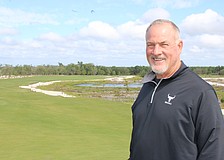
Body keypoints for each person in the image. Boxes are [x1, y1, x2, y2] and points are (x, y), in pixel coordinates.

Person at [129, 19, 224, 160]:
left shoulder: (201, 92)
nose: (156, 51)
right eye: (150, 45)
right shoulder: (148, 86)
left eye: (163, 44)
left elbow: (214, 152)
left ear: (179, 46)